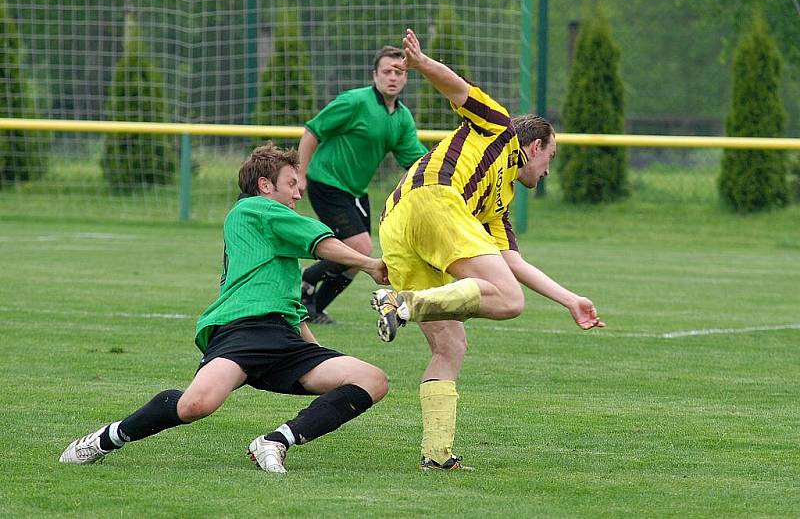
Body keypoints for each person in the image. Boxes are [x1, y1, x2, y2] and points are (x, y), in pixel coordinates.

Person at [60, 144, 390, 474]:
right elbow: (320, 242)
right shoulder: (253, 210)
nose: (298, 194)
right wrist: (370, 263)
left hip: (283, 339)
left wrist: (314, 347)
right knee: (195, 405)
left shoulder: (273, 235)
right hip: (243, 331)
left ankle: (275, 441)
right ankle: (105, 439)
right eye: (291, 184)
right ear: (265, 185)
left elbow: (283, 298)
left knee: (371, 379)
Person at [370, 29, 605, 471]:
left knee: (451, 344)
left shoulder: (498, 203)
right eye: (549, 158)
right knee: (510, 301)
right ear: (534, 146)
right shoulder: (498, 126)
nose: (548, 170)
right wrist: (422, 66)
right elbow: (457, 89)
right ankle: (404, 304)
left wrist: (569, 299)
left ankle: (436, 455)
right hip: (433, 199)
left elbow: (512, 263)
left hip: (396, 225)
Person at [297, 45, 428, 324]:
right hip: (326, 180)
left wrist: (443, 173)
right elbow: (312, 131)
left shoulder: (402, 117)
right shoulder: (354, 101)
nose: (393, 77)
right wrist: (301, 172)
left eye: (399, 72)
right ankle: (307, 279)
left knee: (357, 258)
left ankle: (314, 306)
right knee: (361, 249)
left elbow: (415, 159)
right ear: (375, 75)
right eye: (387, 71)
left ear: (406, 78)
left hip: (356, 191)